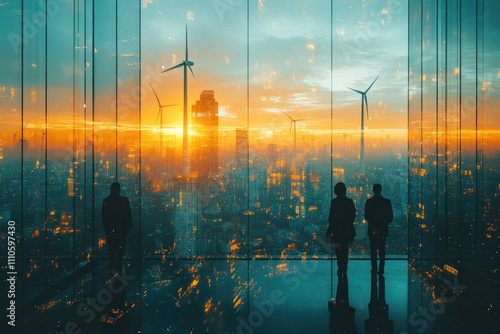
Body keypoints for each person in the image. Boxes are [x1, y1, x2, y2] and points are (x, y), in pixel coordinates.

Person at [102, 182, 132, 278]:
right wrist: (127, 229)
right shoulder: (124, 201)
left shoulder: (106, 201)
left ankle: (113, 272)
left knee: (112, 252)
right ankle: (118, 271)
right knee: (119, 253)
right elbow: (128, 216)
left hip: (112, 232)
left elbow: (104, 217)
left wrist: (107, 230)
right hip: (121, 232)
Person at [327, 182, 356, 276]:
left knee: (338, 249)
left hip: (337, 230)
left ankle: (340, 266)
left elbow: (331, 217)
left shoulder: (334, 202)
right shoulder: (349, 201)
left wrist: (330, 230)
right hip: (347, 230)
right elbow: (353, 216)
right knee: (345, 248)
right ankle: (345, 267)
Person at [364, 184, 393, 276]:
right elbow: (390, 216)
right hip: (382, 229)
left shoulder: (369, 202)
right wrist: (384, 223)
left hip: (372, 228)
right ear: (381, 190)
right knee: (382, 250)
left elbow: (366, 216)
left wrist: (373, 221)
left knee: (373, 250)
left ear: (373, 190)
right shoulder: (387, 202)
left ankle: (374, 268)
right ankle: (381, 269)